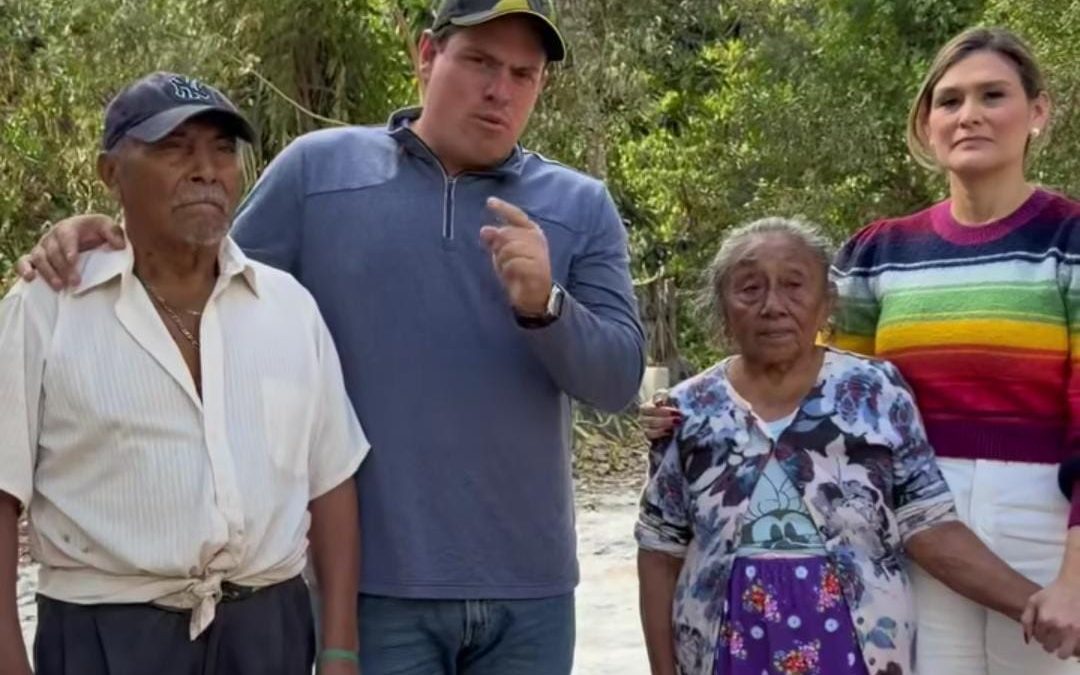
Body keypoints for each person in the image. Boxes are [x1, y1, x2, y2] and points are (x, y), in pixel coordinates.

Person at [13, 2, 646, 673]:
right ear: (427, 56)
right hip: (377, 589)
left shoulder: (579, 205)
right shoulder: (319, 173)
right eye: (480, 62)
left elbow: (617, 381)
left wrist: (547, 306)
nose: (501, 90)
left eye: (525, 73)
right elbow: (202, 267)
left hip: (530, 592)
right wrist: (100, 233)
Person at [641, 26, 1080, 674]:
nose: (970, 115)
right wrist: (685, 412)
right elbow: (814, 387)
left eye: (994, 95)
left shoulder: (1067, 240)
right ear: (926, 122)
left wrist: (1071, 579)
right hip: (909, 521)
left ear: (1037, 111)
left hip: (1041, 514)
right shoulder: (882, 252)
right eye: (950, 100)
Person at [0, 72, 369, 675]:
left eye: (222, 149)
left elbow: (331, 483)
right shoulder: (47, 309)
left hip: (268, 634)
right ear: (110, 173)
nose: (206, 169)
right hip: (109, 639)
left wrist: (339, 649)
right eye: (174, 147)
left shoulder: (288, 308)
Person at [637, 216, 1041, 675]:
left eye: (794, 285)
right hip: (722, 651)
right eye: (749, 288)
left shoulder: (874, 391)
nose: (773, 305)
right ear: (722, 309)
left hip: (858, 649)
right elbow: (659, 551)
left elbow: (928, 525)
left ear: (826, 301)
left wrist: (1033, 602)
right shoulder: (688, 409)